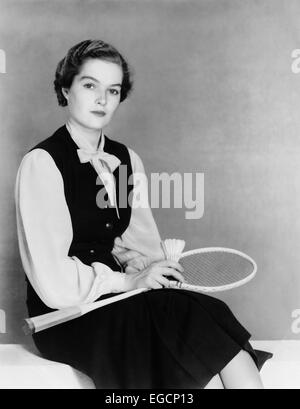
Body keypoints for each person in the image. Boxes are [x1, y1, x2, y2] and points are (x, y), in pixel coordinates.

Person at [15, 39, 271, 389]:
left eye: (113, 90)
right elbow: (52, 281)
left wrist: (145, 268)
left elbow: (137, 242)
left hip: (120, 298)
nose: (102, 100)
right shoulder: (42, 163)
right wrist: (127, 282)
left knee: (208, 310)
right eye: (90, 86)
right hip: (65, 316)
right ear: (66, 89)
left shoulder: (126, 160)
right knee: (174, 316)